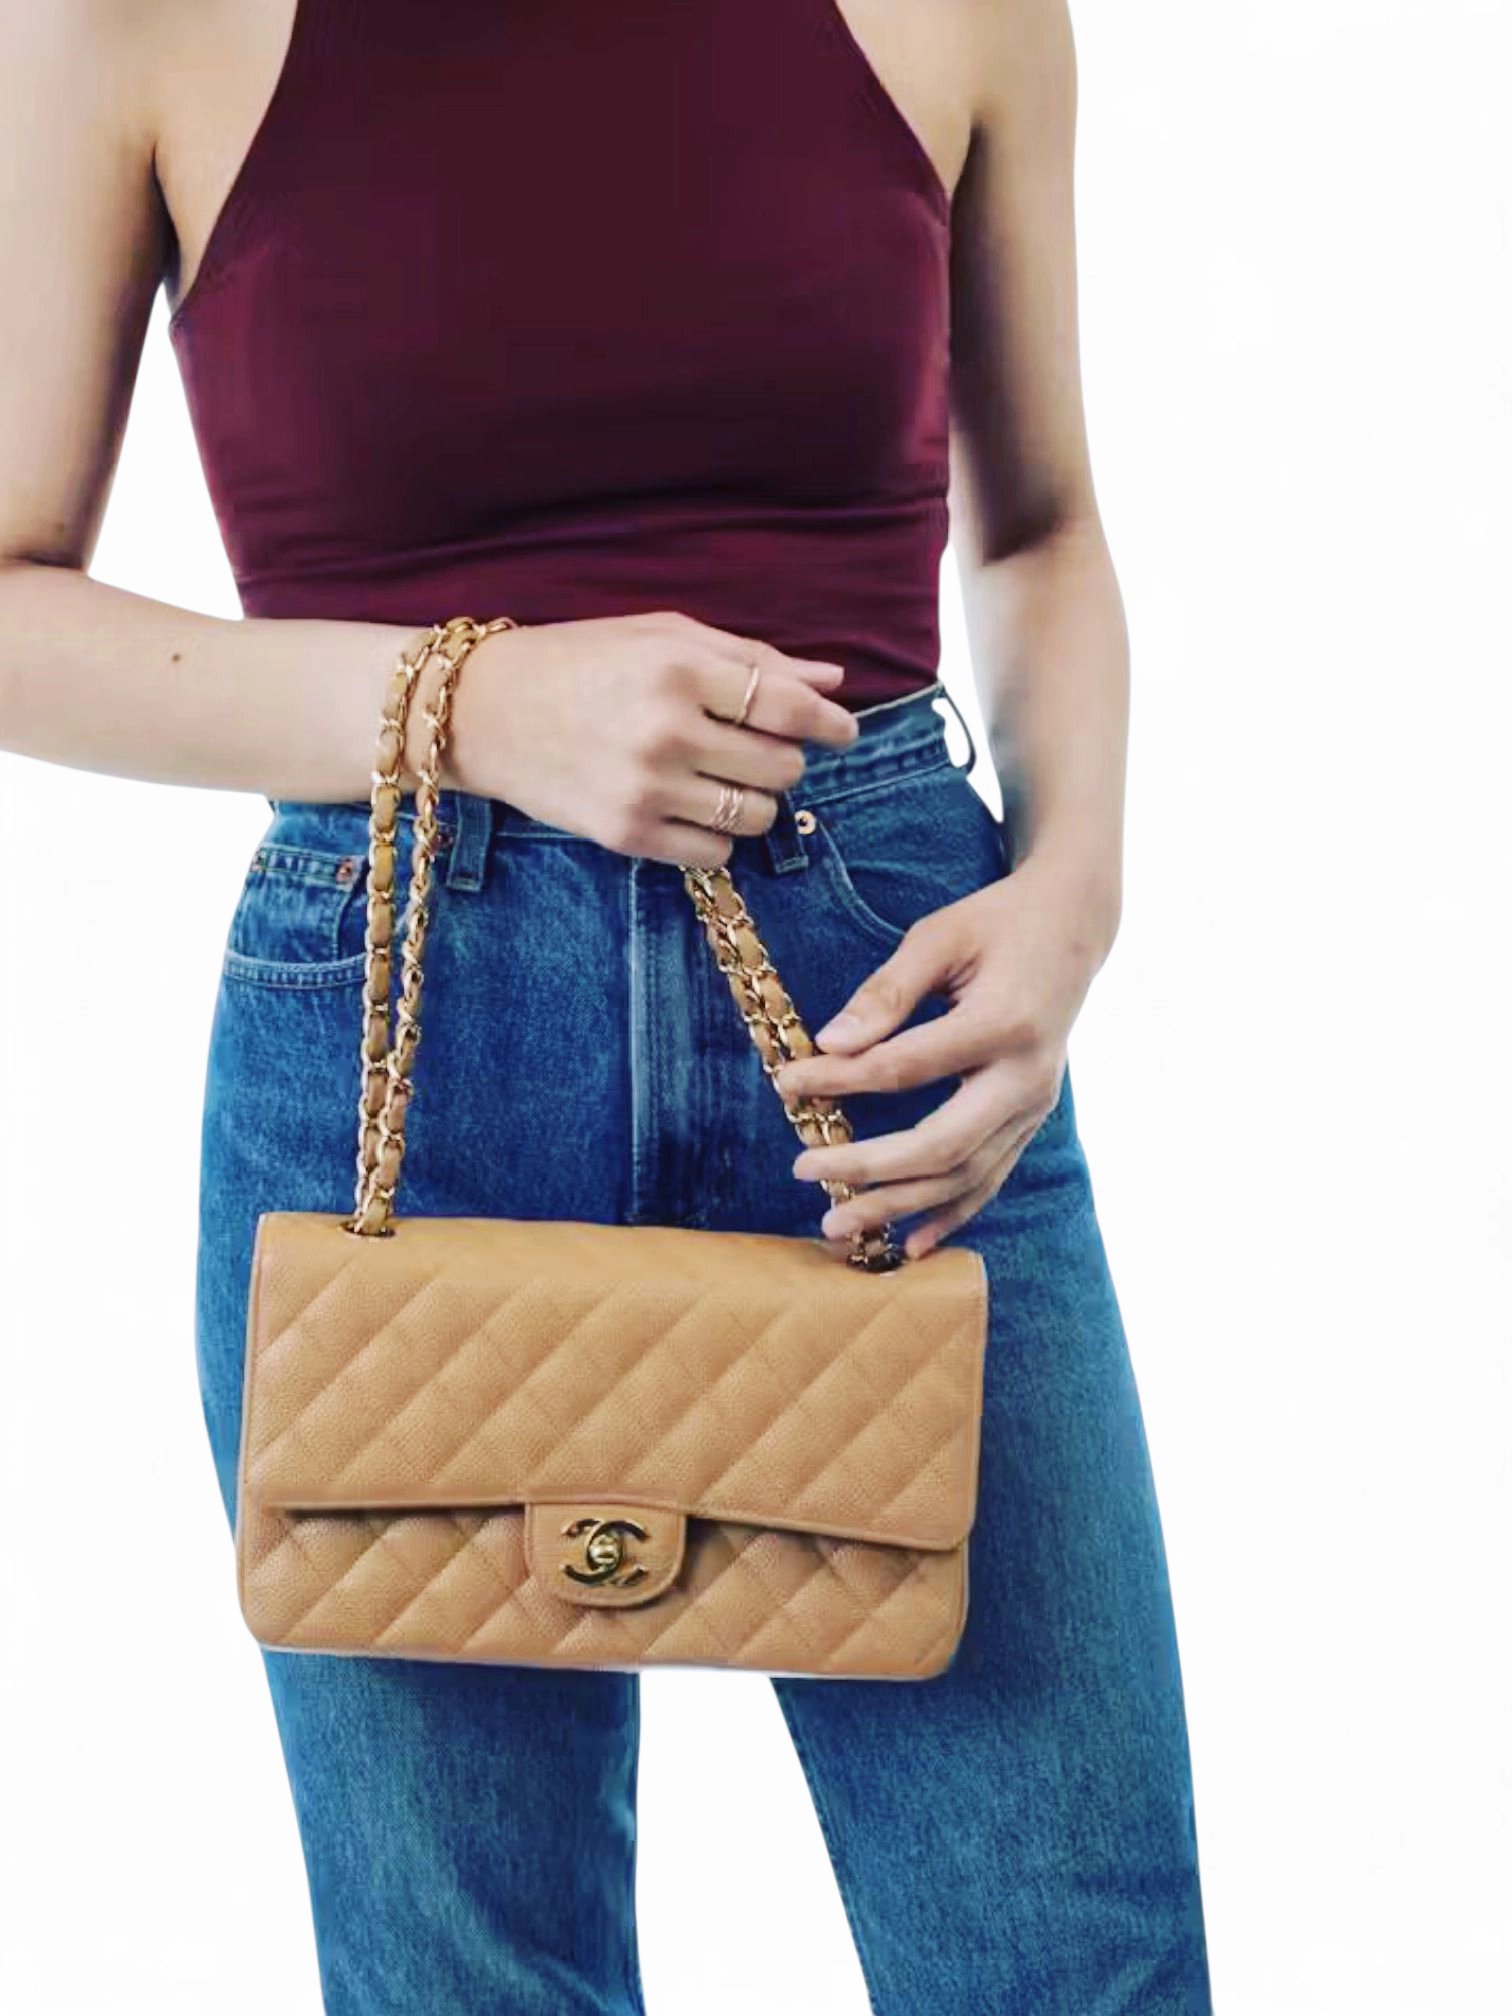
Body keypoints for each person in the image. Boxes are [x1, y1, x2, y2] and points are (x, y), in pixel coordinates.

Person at [0, 1, 1213, 2009]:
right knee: (461, 1982)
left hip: (896, 1029)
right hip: (399, 1034)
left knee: (1074, 1964)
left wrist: (1073, 893)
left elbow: (1040, 526)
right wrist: (466, 701)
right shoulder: (130, 18)